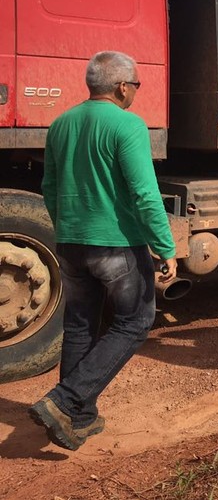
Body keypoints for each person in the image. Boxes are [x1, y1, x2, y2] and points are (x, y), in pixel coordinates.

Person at [29, 51, 177, 451]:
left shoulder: (61, 124)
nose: (136, 93)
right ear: (122, 87)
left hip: (71, 241)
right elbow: (144, 193)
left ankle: (79, 418)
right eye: (137, 86)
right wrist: (165, 247)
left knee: (80, 324)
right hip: (115, 243)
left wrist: (67, 227)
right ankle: (64, 401)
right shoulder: (128, 125)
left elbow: (49, 187)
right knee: (135, 322)